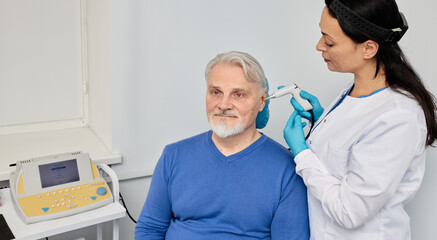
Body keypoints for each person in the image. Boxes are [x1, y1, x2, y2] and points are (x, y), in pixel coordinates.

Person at [283, 0, 437, 239]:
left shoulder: (399, 117)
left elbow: (349, 212)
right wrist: (322, 121)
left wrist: (302, 153)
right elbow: (347, 149)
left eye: (329, 41)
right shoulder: (357, 90)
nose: (319, 46)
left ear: (368, 48)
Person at [135, 51, 310, 240]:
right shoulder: (174, 156)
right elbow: (149, 230)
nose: (224, 104)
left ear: (261, 101)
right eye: (216, 92)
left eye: (238, 94)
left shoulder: (288, 170)